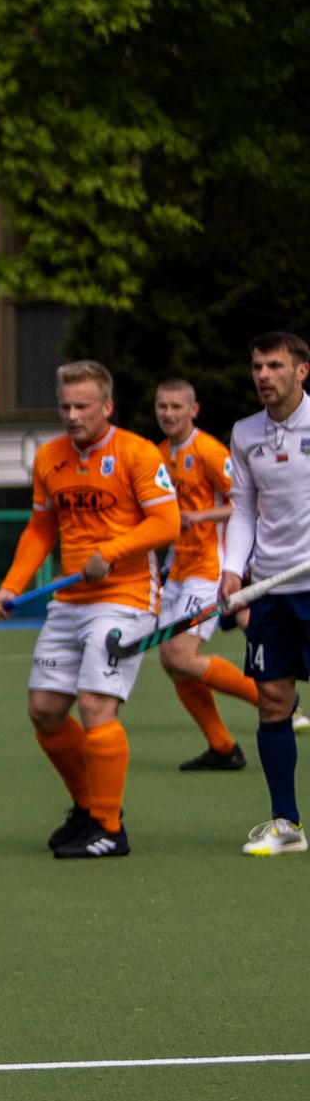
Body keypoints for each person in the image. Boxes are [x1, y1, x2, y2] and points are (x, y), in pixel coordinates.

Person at [0, 359, 180, 859]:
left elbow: (167, 523)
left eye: (82, 406)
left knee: (95, 705)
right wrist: (10, 587)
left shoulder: (137, 453)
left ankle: (109, 829)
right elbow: (40, 529)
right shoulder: (49, 457)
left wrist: (111, 553)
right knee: (45, 711)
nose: (72, 415)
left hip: (126, 597)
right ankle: (88, 807)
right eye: (65, 406)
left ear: (107, 406)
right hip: (69, 599)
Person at [223, 330, 310, 854]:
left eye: (274, 365)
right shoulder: (245, 432)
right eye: (257, 366)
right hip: (271, 590)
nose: (263, 375)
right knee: (273, 701)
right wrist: (233, 571)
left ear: (302, 370)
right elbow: (242, 509)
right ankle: (287, 825)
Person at [148, 378, 256, 771]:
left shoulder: (210, 451)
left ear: (193, 410)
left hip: (210, 568)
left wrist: (199, 516)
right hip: (177, 570)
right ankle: (223, 748)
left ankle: (272, 699)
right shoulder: (157, 455)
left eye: (176, 406)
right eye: (162, 406)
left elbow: (247, 504)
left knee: (181, 655)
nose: (168, 413)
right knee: (170, 660)